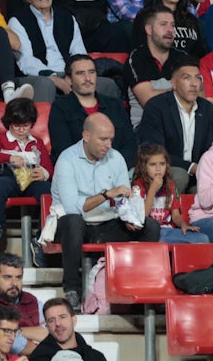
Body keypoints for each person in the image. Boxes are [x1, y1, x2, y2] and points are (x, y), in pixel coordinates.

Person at [52, 114, 159, 309]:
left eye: (111, 139)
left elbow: (124, 200)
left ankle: (137, 282)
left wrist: (130, 218)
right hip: (73, 227)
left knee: (150, 226)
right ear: (86, 136)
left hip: (105, 223)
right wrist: (106, 194)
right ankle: (72, 289)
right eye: (103, 139)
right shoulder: (67, 160)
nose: (108, 144)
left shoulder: (116, 158)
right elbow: (72, 207)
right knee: (73, 221)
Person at [0, 97, 51, 247]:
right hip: (9, 179)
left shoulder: (37, 142)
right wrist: (8, 157)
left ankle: (43, 235)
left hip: (32, 181)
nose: (21, 130)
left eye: (26, 125)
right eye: (17, 126)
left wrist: (44, 173)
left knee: (48, 190)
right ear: (9, 123)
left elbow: (49, 166)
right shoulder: (1, 139)